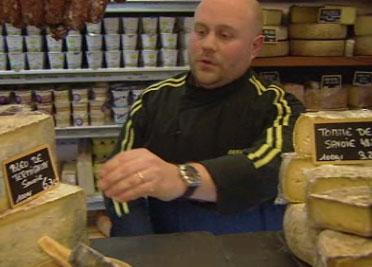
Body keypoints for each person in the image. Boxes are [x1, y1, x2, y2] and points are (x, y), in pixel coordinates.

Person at [98, 0, 304, 236]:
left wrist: (181, 179)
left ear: (255, 47)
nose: (207, 44)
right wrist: (142, 245)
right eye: (201, 31)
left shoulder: (278, 105)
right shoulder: (154, 100)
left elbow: (268, 168)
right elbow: (118, 184)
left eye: (225, 35)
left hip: (249, 244)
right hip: (169, 243)